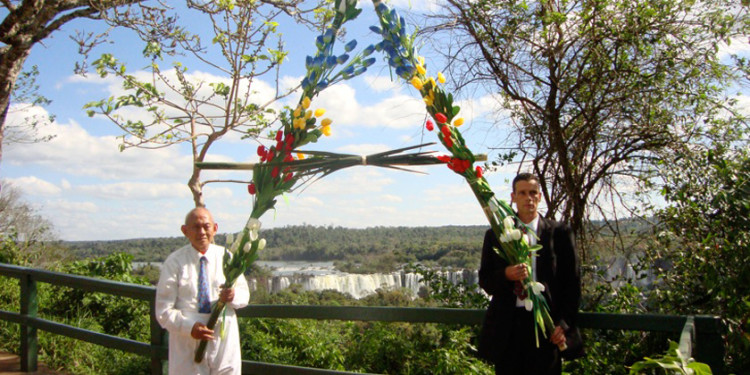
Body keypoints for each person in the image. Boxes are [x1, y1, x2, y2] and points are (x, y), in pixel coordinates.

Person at [478, 173, 582, 375]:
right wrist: (507, 274)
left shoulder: (560, 233)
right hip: (508, 328)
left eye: (533, 193)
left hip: (546, 327)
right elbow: (486, 280)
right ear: (513, 197)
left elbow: (572, 285)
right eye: (523, 193)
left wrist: (563, 325)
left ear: (540, 196)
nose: (529, 198)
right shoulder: (496, 235)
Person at [155, 207, 250, 375]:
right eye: (195, 227)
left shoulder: (227, 257)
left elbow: (244, 295)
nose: (202, 232)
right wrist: (189, 327)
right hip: (187, 342)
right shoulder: (174, 263)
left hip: (223, 341)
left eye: (206, 226)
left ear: (215, 228)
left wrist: (233, 295)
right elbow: (163, 311)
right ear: (185, 231)